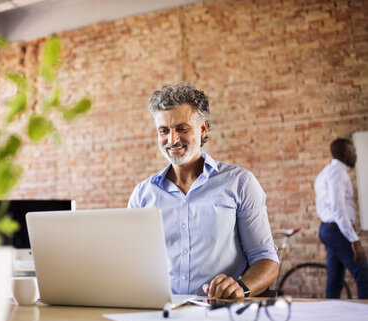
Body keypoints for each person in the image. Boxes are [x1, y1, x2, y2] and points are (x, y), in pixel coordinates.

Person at [128, 83, 279, 299]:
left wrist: (241, 287)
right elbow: (132, 263)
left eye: (182, 128)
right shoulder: (142, 195)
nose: (172, 140)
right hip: (163, 314)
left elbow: (265, 259)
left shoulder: (239, 183)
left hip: (220, 313)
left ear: (203, 129)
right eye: (164, 131)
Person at [315, 138, 368, 299]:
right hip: (337, 230)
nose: (356, 155)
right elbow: (338, 209)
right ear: (345, 154)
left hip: (329, 229)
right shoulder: (337, 173)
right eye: (353, 151)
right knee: (364, 276)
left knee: (335, 279)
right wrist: (354, 240)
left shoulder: (326, 171)